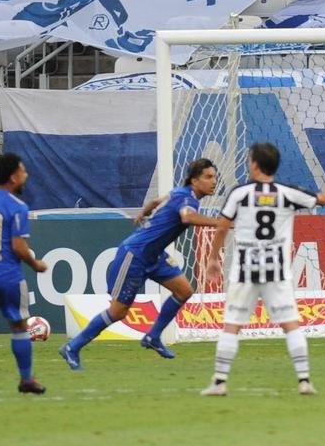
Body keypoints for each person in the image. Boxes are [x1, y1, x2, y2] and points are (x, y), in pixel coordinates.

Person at [199, 143, 325, 396]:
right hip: (276, 270)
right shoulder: (287, 193)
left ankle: (219, 383)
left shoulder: (240, 193)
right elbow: (323, 199)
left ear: (254, 164)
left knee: (232, 325)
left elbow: (221, 227)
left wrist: (213, 258)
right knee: (290, 325)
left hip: (245, 269)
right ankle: (304, 381)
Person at [59, 159, 223, 370]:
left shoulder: (179, 193)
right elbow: (186, 217)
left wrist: (144, 213)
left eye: (215, 177)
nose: (214, 181)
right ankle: (73, 347)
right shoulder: (187, 199)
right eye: (209, 177)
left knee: (184, 290)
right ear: (194, 180)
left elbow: (156, 201)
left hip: (154, 256)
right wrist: (221, 223)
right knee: (118, 312)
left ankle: (153, 337)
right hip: (135, 254)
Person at [0, 153, 49, 397]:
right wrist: (36, 265)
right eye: (23, 171)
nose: (26, 175)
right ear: (14, 177)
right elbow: (18, 247)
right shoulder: (17, 207)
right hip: (7, 277)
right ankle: (26, 379)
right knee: (19, 326)